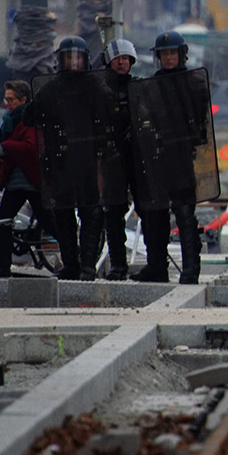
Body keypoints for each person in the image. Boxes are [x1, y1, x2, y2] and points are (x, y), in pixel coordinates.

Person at [28, 36, 113, 280]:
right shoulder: (52, 88)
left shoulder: (94, 86)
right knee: (63, 214)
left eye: (77, 57)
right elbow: (33, 117)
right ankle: (71, 264)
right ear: (61, 59)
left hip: (87, 161)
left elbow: (109, 115)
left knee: (91, 213)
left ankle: (87, 265)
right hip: (60, 162)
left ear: (85, 59)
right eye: (68, 57)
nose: (73, 62)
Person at [132, 31, 211, 284]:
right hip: (158, 159)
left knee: (185, 213)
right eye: (164, 53)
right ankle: (156, 267)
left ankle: (190, 270)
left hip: (183, 157)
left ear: (181, 54)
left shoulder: (194, 82)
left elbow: (202, 121)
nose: (168, 57)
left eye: (172, 53)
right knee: (154, 214)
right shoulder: (149, 86)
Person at [0, 80, 47, 278]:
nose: (6, 103)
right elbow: (8, 141)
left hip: (29, 181)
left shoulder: (28, 119)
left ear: (23, 99)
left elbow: (29, 146)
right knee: (4, 221)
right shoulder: (13, 119)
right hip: (18, 181)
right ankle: (4, 266)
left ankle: (72, 257)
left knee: (45, 221)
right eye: (5, 98)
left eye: (11, 99)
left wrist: (7, 147)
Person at [97, 38, 138, 279]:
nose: (121, 62)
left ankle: (156, 264)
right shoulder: (100, 89)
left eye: (125, 58)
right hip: (111, 159)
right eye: (117, 58)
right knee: (112, 214)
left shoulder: (138, 87)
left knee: (150, 210)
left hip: (137, 157)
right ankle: (119, 266)